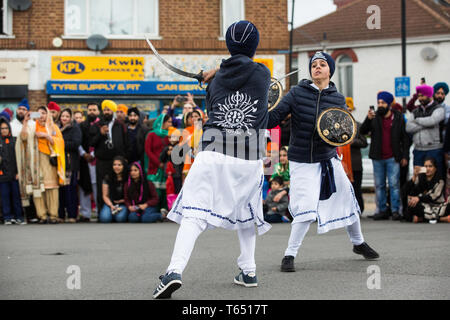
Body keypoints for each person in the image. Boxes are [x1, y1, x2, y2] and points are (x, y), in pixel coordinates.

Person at [152, 20, 272, 299]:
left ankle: (174, 270)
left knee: (194, 213)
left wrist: (213, 70)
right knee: (247, 211)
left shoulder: (215, 81)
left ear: (228, 46)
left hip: (214, 151)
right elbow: (245, 64)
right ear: (254, 47)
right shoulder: (263, 74)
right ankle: (249, 269)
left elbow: (232, 67)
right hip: (250, 155)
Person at [267, 51, 379, 273]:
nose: (317, 67)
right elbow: (271, 119)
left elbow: (346, 131)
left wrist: (346, 133)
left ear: (329, 70)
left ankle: (358, 243)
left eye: (322, 64)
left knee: (348, 199)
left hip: (328, 158)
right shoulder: (296, 93)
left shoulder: (337, 98)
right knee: (306, 210)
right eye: (314, 65)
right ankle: (289, 254)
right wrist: (265, 101)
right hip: (302, 161)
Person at [360, 91, 410, 220]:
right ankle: (381, 210)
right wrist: (368, 119)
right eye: (378, 102)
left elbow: (405, 138)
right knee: (379, 185)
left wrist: (405, 156)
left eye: (383, 103)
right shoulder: (374, 117)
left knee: (394, 185)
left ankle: (395, 211)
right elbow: (362, 131)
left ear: (389, 104)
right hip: (377, 157)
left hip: (393, 157)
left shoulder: (398, 117)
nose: (380, 105)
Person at [19, 106, 65, 224]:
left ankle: (53, 215)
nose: (41, 116)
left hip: (50, 161)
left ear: (48, 114)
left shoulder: (53, 127)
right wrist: (25, 122)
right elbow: (23, 137)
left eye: (44, 113)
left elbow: (60, 143)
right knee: (38, 189)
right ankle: (42, 216)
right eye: (38, 113)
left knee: (52, 189)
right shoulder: (31, 127)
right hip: (35, 161)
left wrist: (46, 136)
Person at [91, 99, 128, 210]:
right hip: (102, 161)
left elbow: (125, 142)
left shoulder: (120, 125)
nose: (106, 112)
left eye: (109, 110)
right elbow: (91, 143)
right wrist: (100, 134)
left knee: (117, 185)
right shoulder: (97, 125)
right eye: (105, 110)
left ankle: (118, 209)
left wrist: (124, 158)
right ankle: (102, 211)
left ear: (113, 111)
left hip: (116, 161)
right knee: (101, 186)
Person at [406, 84, 445, 179]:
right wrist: (425, 124)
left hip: (434, 150)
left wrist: (417, 120)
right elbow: (408, 128)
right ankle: (421, 194)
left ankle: (434, 194)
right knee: (421, 177)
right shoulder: (415, 111)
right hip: (419, 151)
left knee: (435, 177)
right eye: (419, 96)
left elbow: (432, 121)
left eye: (422, 96)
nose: (420, 99)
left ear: (429, 95)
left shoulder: (439, 109)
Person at [11, 99, 39, 223]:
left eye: (24, 109)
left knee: (31, 187)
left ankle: (32, 215)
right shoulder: (11, 125)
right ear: (16, 110)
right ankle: (19, 215)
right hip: (16, 159)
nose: (21, 111)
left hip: (31, 159)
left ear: (28, 112)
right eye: (20, 109)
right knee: (19, 189)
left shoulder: (33, 124)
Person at [402, 157, 449, 223]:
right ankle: (441, 219)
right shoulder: (420, 177)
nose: (428, 169)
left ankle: (422, 219)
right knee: (410, 207)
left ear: (435, 168)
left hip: (437, 206)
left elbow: (433, 197)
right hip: (424, 206)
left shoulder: (440, 180)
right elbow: (406, 191)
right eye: (426, 166)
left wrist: (418, 198)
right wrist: (414, 177)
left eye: (430, 166)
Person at [0, 114, 26, 225]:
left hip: (14, 174)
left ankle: (19, 216)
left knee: (16, 196)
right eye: (2, 128)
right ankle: (7, 217)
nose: (4, 130)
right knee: (5, 196)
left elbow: (20, 158)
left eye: (6, 128)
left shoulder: (15, 141)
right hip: (2, 175)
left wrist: (18, 172)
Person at [58, 108, 82, 223]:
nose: (64, 118)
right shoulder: (56, 128)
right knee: (60, 190)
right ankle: (61, 215)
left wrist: (60, 144)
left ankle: (72, 215)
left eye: (67, 116)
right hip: (58, 164)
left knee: (70, 190)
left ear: (71, 118)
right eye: (63, 116)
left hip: (70, 163)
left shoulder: (75, 128)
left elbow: (76, 143)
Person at [78, 102, 100, 222]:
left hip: (97, 160)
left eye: (94, 110)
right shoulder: (81, 125)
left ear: (98, 112)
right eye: (90, 110)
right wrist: (84, 154)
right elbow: (78, 141)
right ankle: (85, 213)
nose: (92, 111)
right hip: (84, 160)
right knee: (84, 186)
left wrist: (93, 154)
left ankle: (98, 212)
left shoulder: (102, 125)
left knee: (97, 186)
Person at [144, 113, 172, 210]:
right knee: (155, 190)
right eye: (169, 122)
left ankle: (164, 210)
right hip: (154, 167)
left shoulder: (170, 135)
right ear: (162, 122)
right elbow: (148, 150)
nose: (170, 124)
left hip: (165, 167)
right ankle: (154, 210)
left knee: (165, 189)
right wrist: (158, 163)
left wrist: (164, 164)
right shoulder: (151, 134)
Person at [346, 97, 368, 213]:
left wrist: (353, 142)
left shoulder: (358, 125)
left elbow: (364, 142)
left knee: (356, 188)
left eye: (349, 109)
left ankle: (359, 208)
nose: (347, 111)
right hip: (342, 163)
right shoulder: (336, 125)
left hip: (355, 164)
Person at [99, 156, 128, 223]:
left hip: (124, 203)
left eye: (119, 165)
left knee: (120, 218)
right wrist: (111, 206)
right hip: (111, 203)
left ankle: (118, 214)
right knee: (105, 219)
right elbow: (105, 195)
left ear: (124, 166)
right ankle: (112, 214)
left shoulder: (128, 178)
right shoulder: (107, 177)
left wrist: (124, 200)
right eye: (114, 165)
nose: (116, 167)